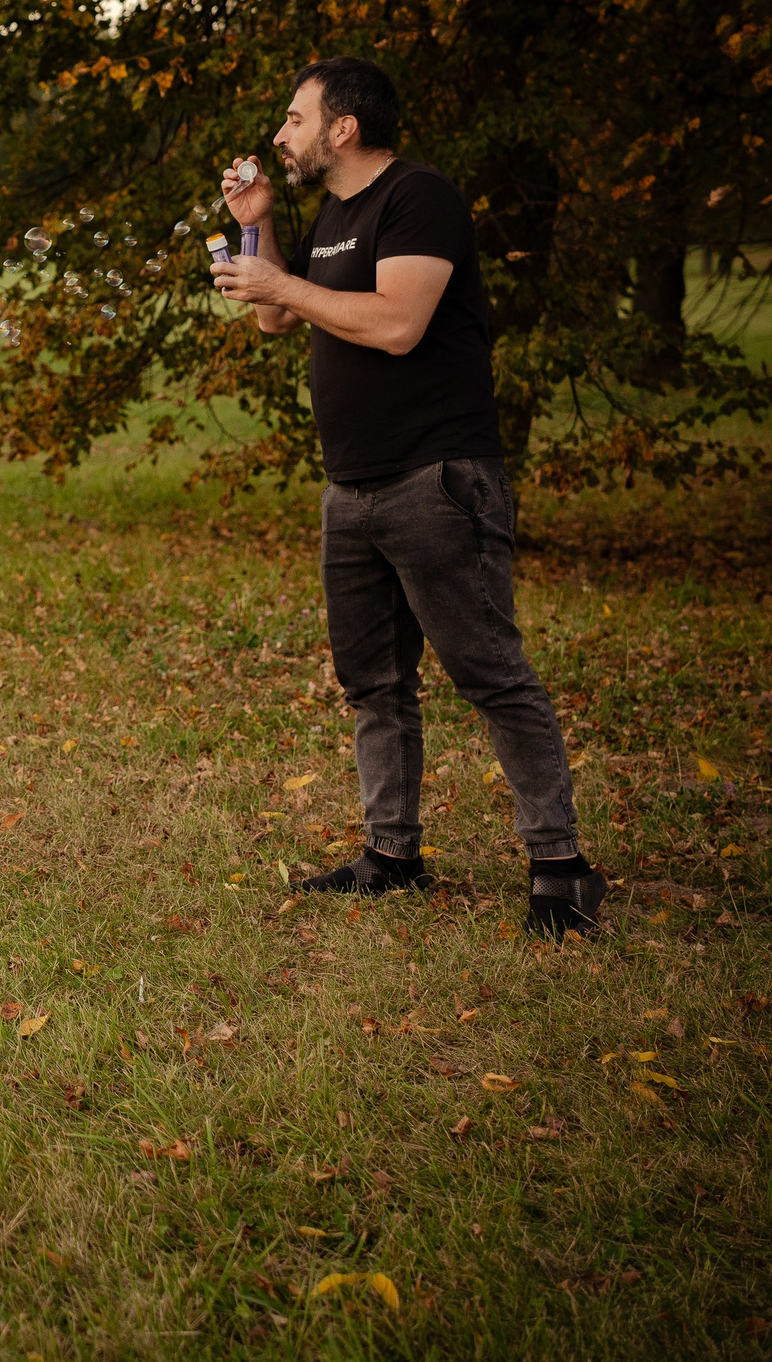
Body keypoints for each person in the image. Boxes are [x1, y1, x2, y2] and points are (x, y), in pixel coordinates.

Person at [211, 55, 606, 936]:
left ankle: (560, 866)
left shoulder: (418, 197)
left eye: (295, 118)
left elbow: (397, 324)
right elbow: (278, 314)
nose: (281, 134)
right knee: (374, 683)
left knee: (489, 672)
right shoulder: (334, 213)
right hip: (351, 486)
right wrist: (260, 230)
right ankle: (393, 856)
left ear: (343, 127)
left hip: (436, 478)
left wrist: (279, 283)